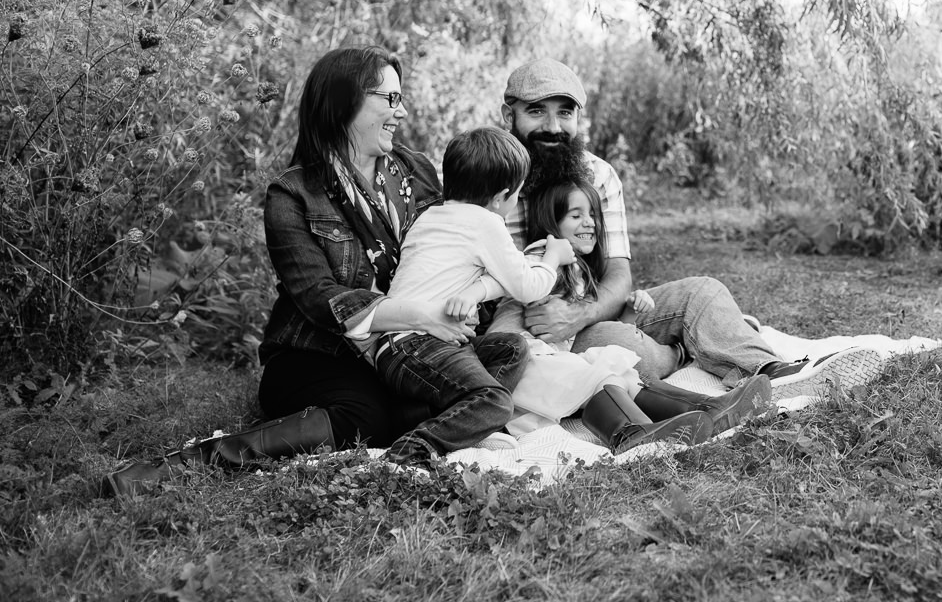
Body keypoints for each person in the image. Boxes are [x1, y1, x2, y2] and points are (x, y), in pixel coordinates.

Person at [104, 46, 455, 497]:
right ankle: (174, 469)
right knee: (367, 418)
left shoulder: (416, 171)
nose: (401, 111)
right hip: (316, 355)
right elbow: (319, 296)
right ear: (344, 102)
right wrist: (419, 315)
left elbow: (450, 247)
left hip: (401, 349)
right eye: (389, 99)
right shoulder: (293, 194)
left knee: (447, 394)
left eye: (400, 98)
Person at [496, 59, 883, 396]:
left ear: (578, 118)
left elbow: (617, 273)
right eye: (536, 111)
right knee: (614, 344)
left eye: (565, 113)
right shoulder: (487, 183)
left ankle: (772, 373)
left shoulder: (599, 175)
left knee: (703, 292)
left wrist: (581, 314)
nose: (553, 126)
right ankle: (687, 348)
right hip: (530, 334)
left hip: (592, 309)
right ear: (507, 115)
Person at [493, 179, 774, 452]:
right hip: (524, 367)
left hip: (550, 362)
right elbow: (526, 284)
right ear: (551, 224)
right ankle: (630, 432)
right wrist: (550, 261)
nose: (589, 222)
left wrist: (627, 313)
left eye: (592, 214)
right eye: (575, 215)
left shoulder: (576, 268)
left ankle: (707, 409)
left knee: (618, 369)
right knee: (599, 373)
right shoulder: (542, 255)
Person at [358, 126, 560, 466]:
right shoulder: (486, 223)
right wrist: (552, 258)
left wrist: (487, 284)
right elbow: (528, 287)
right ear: (501, 196)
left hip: (397, 347)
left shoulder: (430, 216)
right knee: (496, 400)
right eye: (516, 196)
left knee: (511, 346)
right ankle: (413, 450)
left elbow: (497, 277)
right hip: (419, 345)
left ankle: (469, 425)